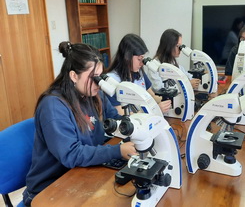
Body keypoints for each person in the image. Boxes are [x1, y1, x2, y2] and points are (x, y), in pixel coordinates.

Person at [22, 42, 137, 206]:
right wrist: (117, 151)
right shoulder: (54, 106)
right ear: (74, 76)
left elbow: (115, 119)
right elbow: (71, 154)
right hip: (49, 189)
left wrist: (138, 126)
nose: (99, 82)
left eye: (101, 76)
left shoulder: (93, 94)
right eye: (93, 77)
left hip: (82, 173)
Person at [104, 34, 171, 115]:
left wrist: (166, 99)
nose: (142, 63)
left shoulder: (139, 73)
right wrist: (155, 110)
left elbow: (151, 97)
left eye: (143, 59)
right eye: (139, 59)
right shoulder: (111, 81)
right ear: (127, 57)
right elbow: (120, 114)